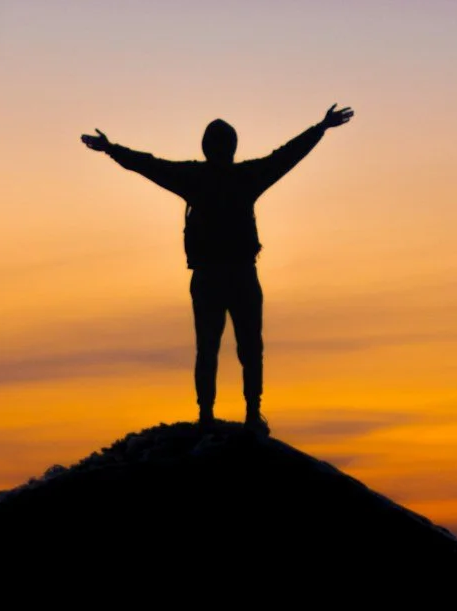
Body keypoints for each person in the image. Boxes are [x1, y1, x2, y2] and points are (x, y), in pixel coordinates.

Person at [82, 105, 355, 434]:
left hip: (216, 276)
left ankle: (211, 416)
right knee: (247, 347)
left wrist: (111, 149)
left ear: (207, 148)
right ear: (232, 147)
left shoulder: (196, 178)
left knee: (213, 348)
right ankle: (249, 413)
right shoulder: (244, 177)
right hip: (237, 275)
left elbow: (148, 165)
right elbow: (286, 156)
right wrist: (320, 128)